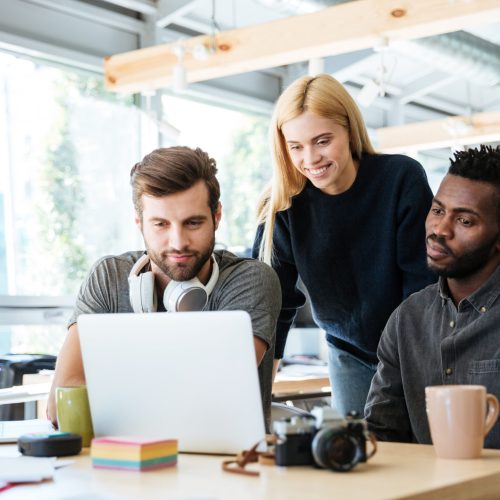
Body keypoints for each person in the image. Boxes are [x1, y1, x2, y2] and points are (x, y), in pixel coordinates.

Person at [48, 146, 281, 429]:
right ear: (139, 223)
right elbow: (63, 403)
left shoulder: (250, 280)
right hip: (121, 462)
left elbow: (210, 402)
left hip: (225, 467)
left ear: (217, 216)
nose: (178, 242)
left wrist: (110, 391)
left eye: (193, 223)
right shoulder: (108, 278)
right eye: (160, 224)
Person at [253, 74, 435, 416]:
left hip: (414, 347)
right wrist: (256, 396)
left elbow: (422, 288)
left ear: (349, 130)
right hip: (347, 352)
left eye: (322, 141)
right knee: (359, 459)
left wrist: (407, 367)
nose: (310, 159)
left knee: (418, 456)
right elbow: (272, 306)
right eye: (296, 146)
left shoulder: (400, 178)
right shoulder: (282, 206)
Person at [365, 145, 500, 448]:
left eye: (465, 221)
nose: (440, 229)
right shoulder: (406, 320)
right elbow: (382, 433)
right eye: (438, 210)